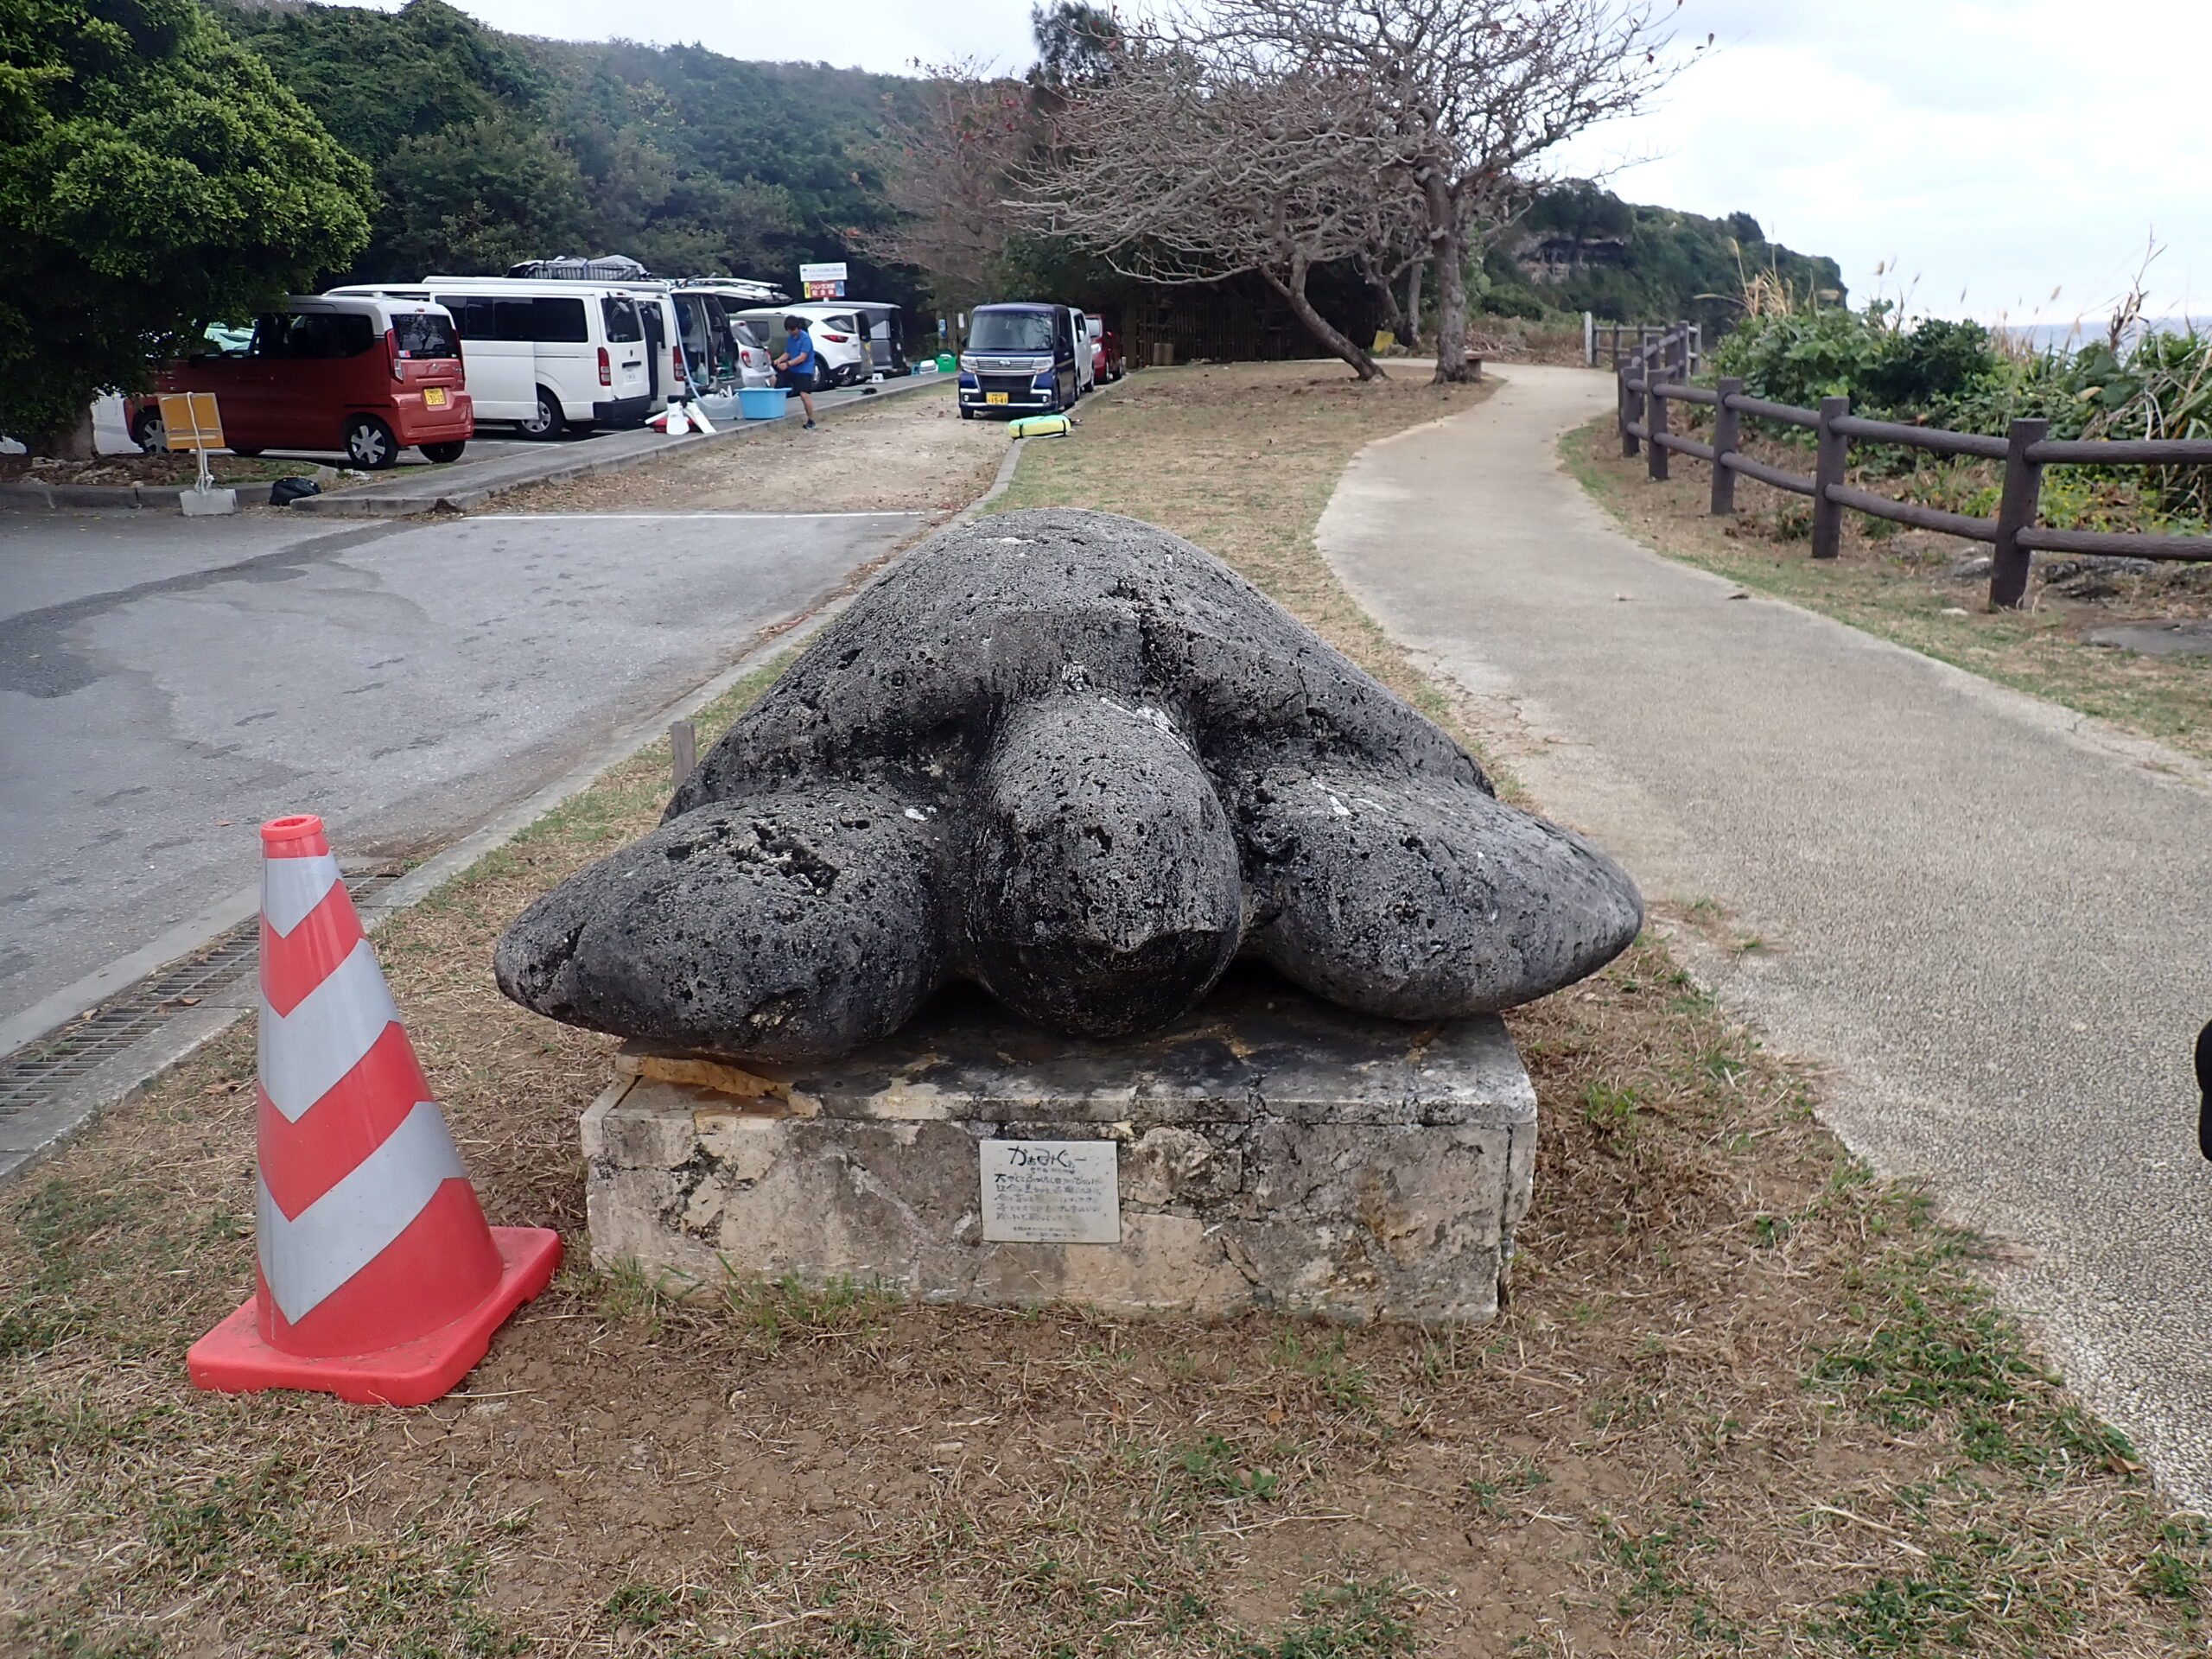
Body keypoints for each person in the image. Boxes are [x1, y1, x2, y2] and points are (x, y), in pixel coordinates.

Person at [772, 315, 819, 429]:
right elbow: (788, 352)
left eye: (794, 329)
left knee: (804, 394)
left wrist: (787, 364)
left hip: (804, 369)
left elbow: (802, 357)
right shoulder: (790, 338)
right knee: (774, 379)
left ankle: (811, 419)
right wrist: (780, 359)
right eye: (790, 330)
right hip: (792, 368)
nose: (792, 332)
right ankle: (774, 409)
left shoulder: (805, 338)